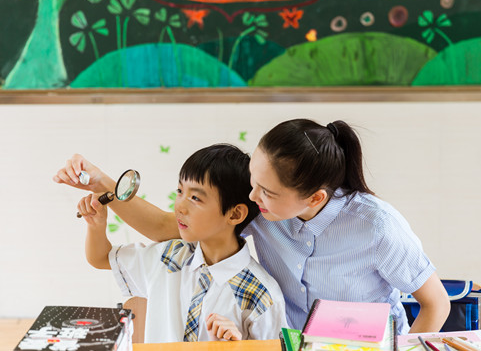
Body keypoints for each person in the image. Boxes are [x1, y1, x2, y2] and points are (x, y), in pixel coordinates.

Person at [54, 119, 450, 335]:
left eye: (267, 192)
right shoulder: (262, 208)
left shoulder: (377, 227)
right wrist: (101, 181)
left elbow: (436, 303)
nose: (253, 198)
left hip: (365, 344)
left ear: (314, 198)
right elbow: (168, 226)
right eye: (253, 183)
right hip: (288, 342)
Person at [75, 144, 287, 343]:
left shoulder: (262, 295)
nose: (180, 207)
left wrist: (238, 346)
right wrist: (96, 225)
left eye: (195, 198)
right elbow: (100, 258)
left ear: (235, 214)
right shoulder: (168, 257)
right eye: (179, 191)